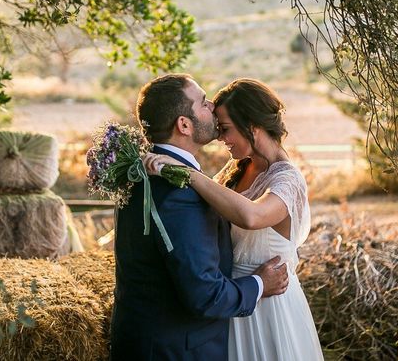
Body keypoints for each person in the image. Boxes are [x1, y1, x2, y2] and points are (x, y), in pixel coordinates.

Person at [110, 74, 290, 361]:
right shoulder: (178, 192)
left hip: (144, 340)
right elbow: (206, 295)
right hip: (177, 350)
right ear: (184, 124)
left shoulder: (139, 174)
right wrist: (259, 285)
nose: (213, 105)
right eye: (203, 102)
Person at [143, 78, 324, 361]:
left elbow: (252, 216)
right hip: (231, 301)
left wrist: (189, 173)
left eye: (225, 129)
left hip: (269, 306)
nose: (219, 137)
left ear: (252, 125)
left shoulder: (288, 179)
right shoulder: (235, 170)